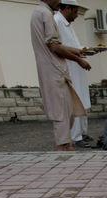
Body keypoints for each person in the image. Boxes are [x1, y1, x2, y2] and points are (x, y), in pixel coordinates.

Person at [30, 0, 90, 151]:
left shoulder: (38, 12)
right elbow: (55, 47)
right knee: (61, 111)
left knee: (67, 108)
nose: (59, 2)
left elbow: (55, 45)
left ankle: (65, 144)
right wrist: (78, 60)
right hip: (55, 69)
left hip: (51, 69)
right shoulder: (46, 14)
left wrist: (77, 51)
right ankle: (63, 147)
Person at [54, 1, 92, 147]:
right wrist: (78, 57)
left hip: (77, 67)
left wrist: (85, 49)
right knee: (75, 101)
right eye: (75, 12)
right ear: (67, 8)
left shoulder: (67, 24)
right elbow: (59, 47)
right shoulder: (57, 21)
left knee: (82, 99)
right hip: (70, 67)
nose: (76, 16)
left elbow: (74, 46)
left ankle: (82, 132)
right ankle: (76, 136)